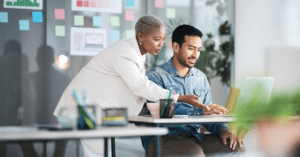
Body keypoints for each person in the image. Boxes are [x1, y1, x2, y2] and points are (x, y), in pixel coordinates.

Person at [53, 15, 212, 156]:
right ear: (141, 36)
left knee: (98, 151)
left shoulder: (135, 53)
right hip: (82, 107)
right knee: (97, 152)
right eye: (156, 39)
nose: (161, 44)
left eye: (163, 40)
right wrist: (182, 98)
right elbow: (140, 86)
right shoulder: (125, 53)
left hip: (93, 108)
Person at [142, 25, 246, 157]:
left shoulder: (200, 78)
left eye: (198, 50)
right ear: (175, 47)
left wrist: (223, 130)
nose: (195, 55)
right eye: (190, 49)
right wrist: (200, 111)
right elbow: (160, 114)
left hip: (193, 137)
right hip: (161, 138)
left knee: (237, 147)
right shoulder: (155, 76)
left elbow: (208, 115)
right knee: (194, 153)